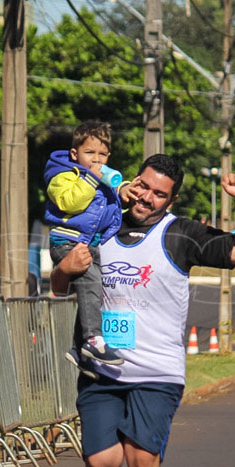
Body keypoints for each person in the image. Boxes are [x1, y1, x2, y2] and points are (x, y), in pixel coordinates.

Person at [51, 155, 235, 467]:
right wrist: (62, 270)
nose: (147, 197)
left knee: (142, 460)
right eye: (143, 186)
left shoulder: (180, 233)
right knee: (100, 463)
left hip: (158, 372)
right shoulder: (101, 221)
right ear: (133, 182)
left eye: (159, 193)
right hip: (102, 367)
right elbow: (59, 285)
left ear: (171, 198)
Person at [45, 121, 138, 367]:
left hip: (90, 242)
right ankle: (93, 340)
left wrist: (124, 190)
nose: (96, 160)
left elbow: (106, 201)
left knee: (92, 294)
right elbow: (69, 203)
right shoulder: (62, 176)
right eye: (90, 153)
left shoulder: (99, 179)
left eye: (102, 155)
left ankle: (79, 348)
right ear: (75, 154)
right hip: (68, 241)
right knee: (90, 283)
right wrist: (91, 180)